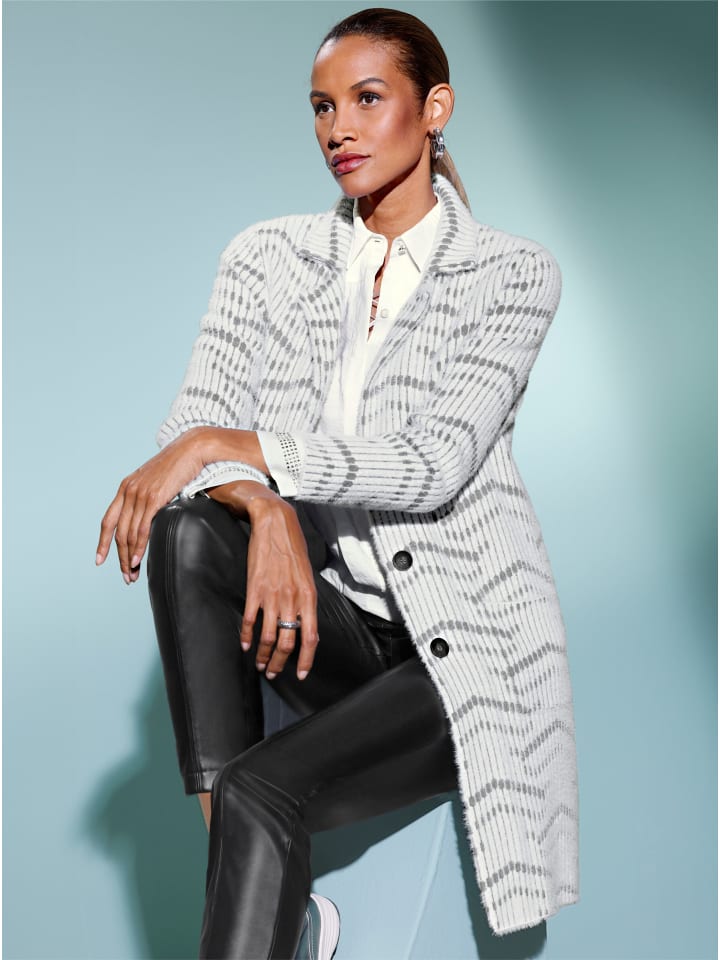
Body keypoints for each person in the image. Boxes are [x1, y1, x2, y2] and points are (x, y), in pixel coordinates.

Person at [96, 7, 580, 958]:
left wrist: (234, 449)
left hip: (463, 654)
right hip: (338, 633)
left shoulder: (512, 274)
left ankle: (269, 912)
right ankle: (273, 905)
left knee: (260, 786)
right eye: (322, 107)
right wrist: (265, 505)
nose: (339, 129)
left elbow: (432, 461)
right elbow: (192, 430)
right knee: (195, 532)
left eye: (367, 99)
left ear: (434, 109)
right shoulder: (267, 258)